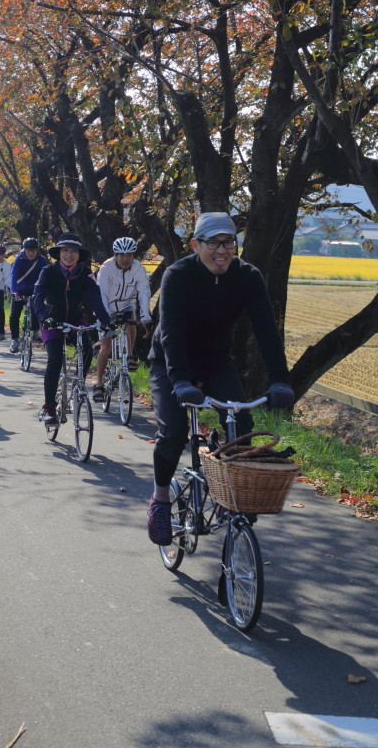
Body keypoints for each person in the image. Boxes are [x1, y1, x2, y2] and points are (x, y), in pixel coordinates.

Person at [146, 211, 295, 545]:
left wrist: (280, 379)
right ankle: (159, 499)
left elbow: (267, 331)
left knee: (241, 421)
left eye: (229, 242)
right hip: (171, 363)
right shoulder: (177, 275)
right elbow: (169, 332)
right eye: (213, 243)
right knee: (173, 431)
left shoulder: (248, 277)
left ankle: (223, 479)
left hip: (215, 361)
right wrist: (180, 380)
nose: (222, 250)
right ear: (196, 244)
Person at [33, 232, 113, 427]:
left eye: (74, 251)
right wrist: (44, 318)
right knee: (55, 359)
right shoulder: (48, 271)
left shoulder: (85, 273)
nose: (69, 255)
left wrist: (105, 321)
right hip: (52, 321)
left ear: (79, 254)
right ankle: (49, 407)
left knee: (87, 350)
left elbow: (95, 298)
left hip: (76, 320)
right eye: (65, 250)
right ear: (59, 252)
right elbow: (38, 296)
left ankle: (79, 384)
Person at [92, 237, 153, 402]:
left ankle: (131, 354)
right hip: (107, 308)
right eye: (122, 255)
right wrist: (105, 319)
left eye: (129, 255)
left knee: (131, 319)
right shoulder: (106, 268)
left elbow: (143, 292)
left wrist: (146, 317)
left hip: (126, 304)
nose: (126, 259)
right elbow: (102, 294)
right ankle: (98, 383)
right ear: (116, 255)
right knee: (106, 346)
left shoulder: (138, 268)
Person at [9, 237, 48, 353]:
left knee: (36, 310)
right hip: (20, 290)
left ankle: (35, 332)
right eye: (28, 250)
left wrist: (44, 291)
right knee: (14, 315)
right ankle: (15, 339)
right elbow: (13, 276)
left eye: (33, 250)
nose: (31, 253)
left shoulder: (42, 260)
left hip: (35, 290)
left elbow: (46, 276)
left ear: (37, 250)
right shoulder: (19, 259)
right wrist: (14, 291)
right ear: (24, 250)